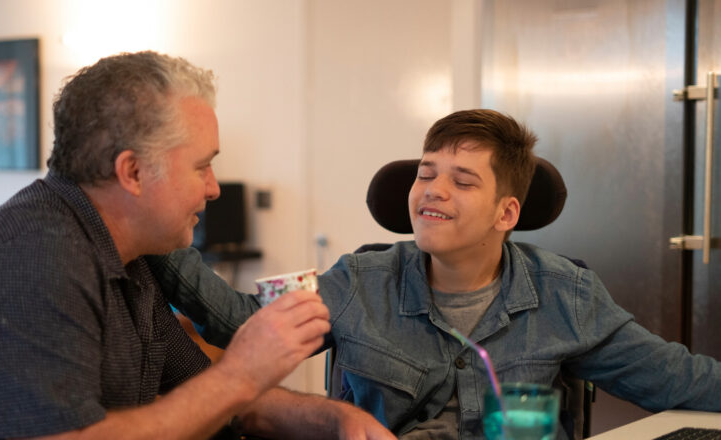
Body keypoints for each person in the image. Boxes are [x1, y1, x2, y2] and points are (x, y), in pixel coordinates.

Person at [0, 51, 395, 440]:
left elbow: (203, 394)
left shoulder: (128, 254)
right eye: (201, 166)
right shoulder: (33, 260)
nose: (214, 188)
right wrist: (241, 373)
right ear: (132, 172)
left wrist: (335, 419)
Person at [150, 109, 721, 440]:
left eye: (462, 181)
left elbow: (683, 382)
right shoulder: (359, 281)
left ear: (507, 214)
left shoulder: (565, 294)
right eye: (426, 174)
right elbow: (238, 322)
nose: (433, 191)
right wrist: (157, 228)